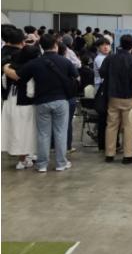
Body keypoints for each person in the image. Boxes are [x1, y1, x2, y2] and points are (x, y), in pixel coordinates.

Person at [6, 34, 78, 172]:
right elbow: (77, 77)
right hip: (61, 100)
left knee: (43, 134)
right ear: (56, 45)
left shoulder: (34, 63)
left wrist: (5, 68)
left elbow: (18, 76)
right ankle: (61, 163)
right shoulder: (65, 61)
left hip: (41, 102)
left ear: (41, 47)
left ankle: (42, 165)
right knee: (60, 132)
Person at [100, 34, 132, 164]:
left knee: (111, 125)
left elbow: (102, 73)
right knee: (129, 126)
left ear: (120, 44)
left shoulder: (111, 58)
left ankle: (109, 153)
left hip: (113, 96)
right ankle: (128, 155)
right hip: (129, 97)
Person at [1, 44, 40, 169]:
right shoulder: (31, 69)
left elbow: (4, 84)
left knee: (14, 130)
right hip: (25, 104)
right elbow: (32, 92)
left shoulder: (9, 67)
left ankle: (25, 156)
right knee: (26, 131)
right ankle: (24, 159)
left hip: (9, 101)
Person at [57, 43, 78, 152]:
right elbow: (77, 76)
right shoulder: (67, 62)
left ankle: (53, 145)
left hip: (51, 96)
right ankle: (67, 146)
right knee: (67, 122)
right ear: (65, 51)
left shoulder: (44, 61)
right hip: (68, 96)